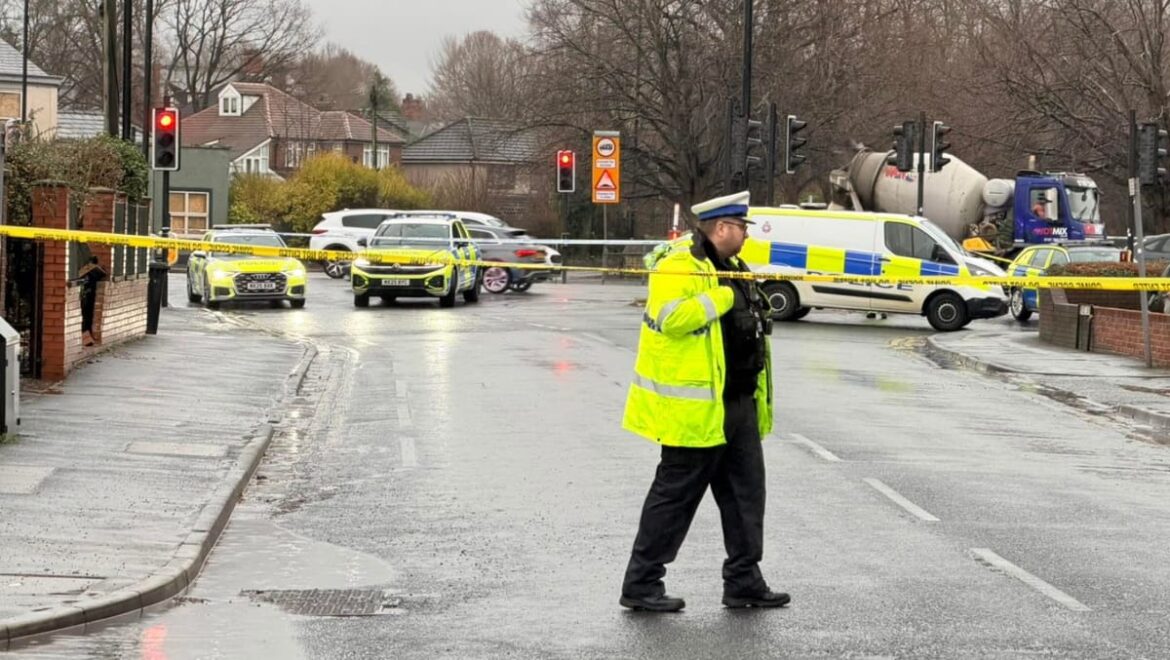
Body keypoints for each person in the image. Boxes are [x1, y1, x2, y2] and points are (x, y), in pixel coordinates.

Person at [620, 190, 788, 612]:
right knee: (673, 502)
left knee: (747, 499)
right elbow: (671, 319)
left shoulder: (734, 266)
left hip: (738, 405)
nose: (747, 236)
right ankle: (641, 585)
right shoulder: (679, 266)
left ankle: (744, 582)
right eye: (742, 228)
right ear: (721, 228)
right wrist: (722, 297)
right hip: (694, 413)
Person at [79, 255, 107, 346]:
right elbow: (103, 274)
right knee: (87, 318)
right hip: (89, 298)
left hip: (85, 298)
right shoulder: (96, 272)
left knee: (85, 318)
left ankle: (86, 338)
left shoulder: (85, 272)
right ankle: (86, 337)